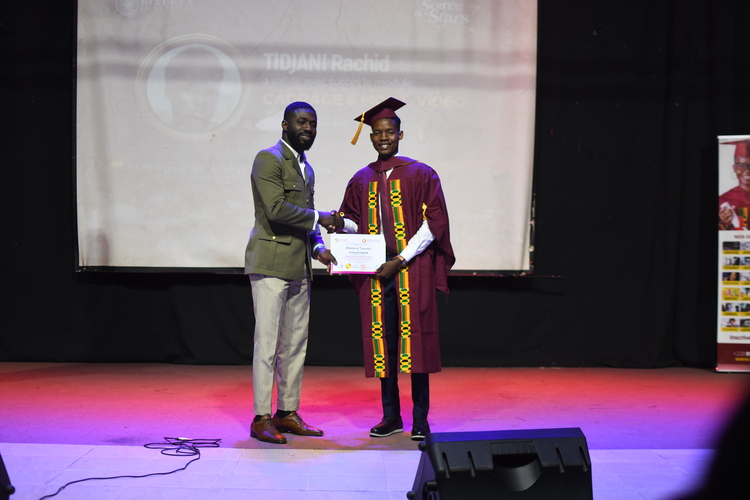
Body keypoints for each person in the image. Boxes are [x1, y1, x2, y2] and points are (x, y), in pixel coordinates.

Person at [337, 97, 455, 441]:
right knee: (383, 342)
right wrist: (338, 223)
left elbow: (434, 224)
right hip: (376, 272)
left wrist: (400, 259)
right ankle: (391, 416)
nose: (383, 137)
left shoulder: (421, 173)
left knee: (415, 343)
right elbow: (352, 221)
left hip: (412, 269)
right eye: (377, 133)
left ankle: (420, 419)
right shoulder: (361, 179)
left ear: (400, 134)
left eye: (389, 131)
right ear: (371, 137)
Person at [244, 101, 343, 444]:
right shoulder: (268, 159)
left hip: (300, 266)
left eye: (312, 124)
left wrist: (318, 248)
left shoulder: (307, 168)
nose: (308, 129)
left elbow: (307, 214)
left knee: (295, 344)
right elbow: (275, 209)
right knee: (268, 345)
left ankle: (286, 412)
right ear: (285, 125)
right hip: (271, 263)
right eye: (301, 122)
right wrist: (321, 218)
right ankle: (261, 417)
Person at [718, 140, 750, 229]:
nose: (747, 171)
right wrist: (726, 224)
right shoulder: (723, 200)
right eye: (741, 166)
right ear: (735, 168)